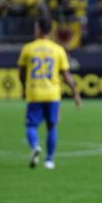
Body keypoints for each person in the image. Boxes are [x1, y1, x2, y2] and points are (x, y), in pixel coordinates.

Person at [18, 18, 82, 170]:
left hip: (35, 92)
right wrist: (76, 94)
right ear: (50, 31)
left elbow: (21, 72)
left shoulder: (28, 48)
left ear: (38, 29)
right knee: (52, 126)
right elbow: (67, 76)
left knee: (31, 125)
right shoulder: (58, 49)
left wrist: (24, 86)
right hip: (53, 94)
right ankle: (49, 160)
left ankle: (35, 146)